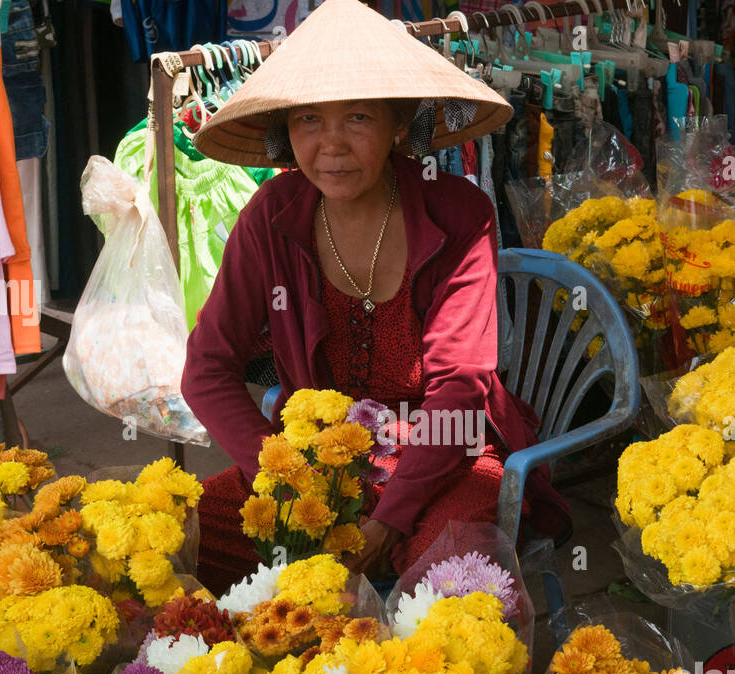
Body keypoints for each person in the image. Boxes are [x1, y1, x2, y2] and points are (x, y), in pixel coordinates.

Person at [182, 0, 569, 596]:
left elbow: (461, 386)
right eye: (308, 119)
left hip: (449, 452)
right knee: (182, 541)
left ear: (397, 125)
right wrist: (284, 479)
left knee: (453, 585)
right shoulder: (270, 216)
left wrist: (388, 520)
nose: (330, 145)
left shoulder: (460, 213)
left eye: (357, 118)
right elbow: (207, 368)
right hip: (320, 465)